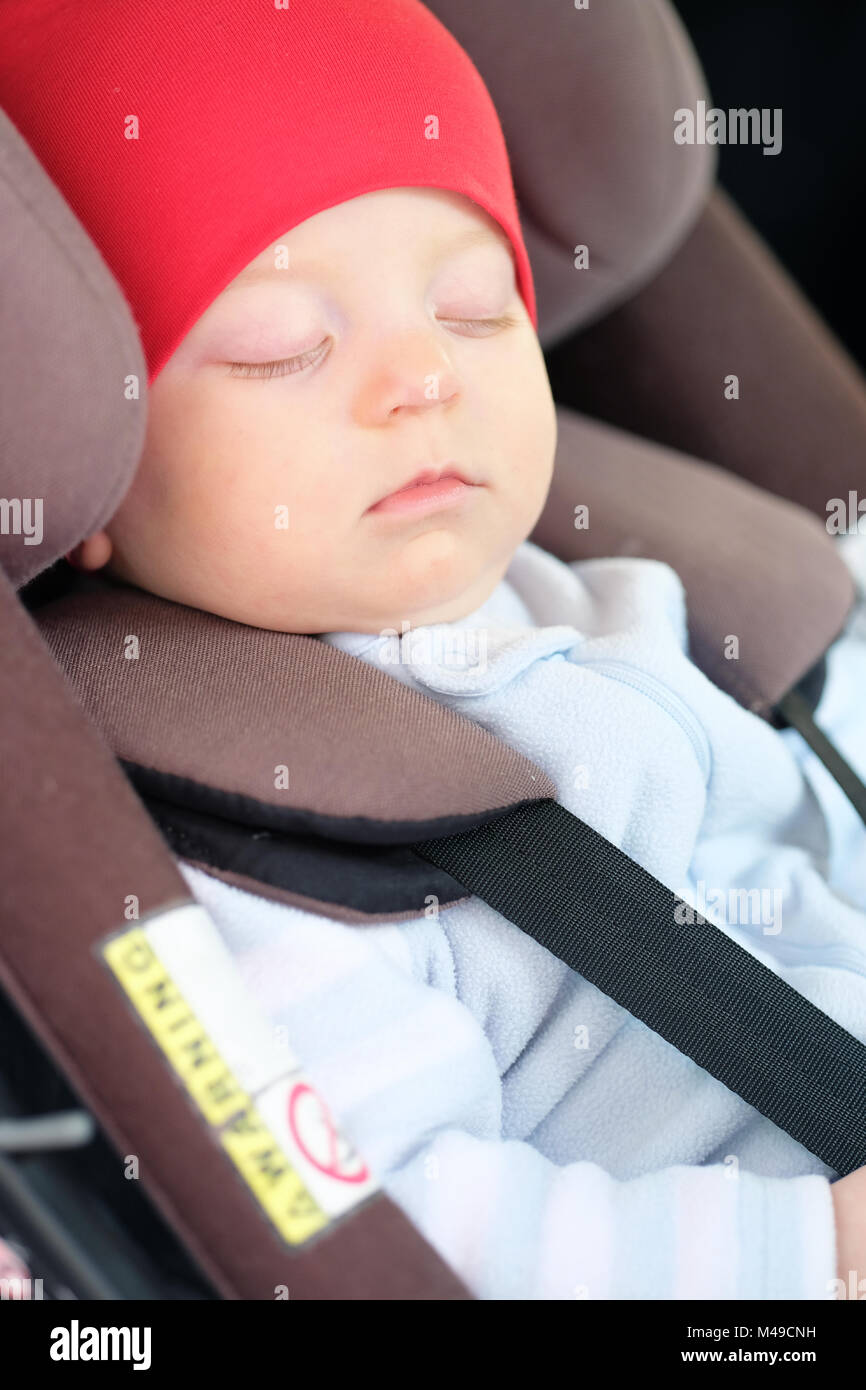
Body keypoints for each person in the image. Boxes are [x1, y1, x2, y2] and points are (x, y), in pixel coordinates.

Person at [4, 0, 866, 1299]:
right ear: (101, 481)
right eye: (282, 347)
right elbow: (416, 1221)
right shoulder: (255, 854)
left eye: (473, 310)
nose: (422, 376)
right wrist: (804, 1257)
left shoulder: (607, 587)